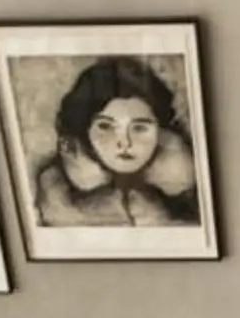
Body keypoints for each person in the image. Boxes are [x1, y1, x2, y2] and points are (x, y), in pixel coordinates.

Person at [33, 56, 202, 226]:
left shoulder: (186, 172)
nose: (124, 143)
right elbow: (63, 140)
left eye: (139, 128)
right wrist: (67, 160)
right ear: (84, 128)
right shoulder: (59, 182)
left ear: (161, 131)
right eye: (106, 127)